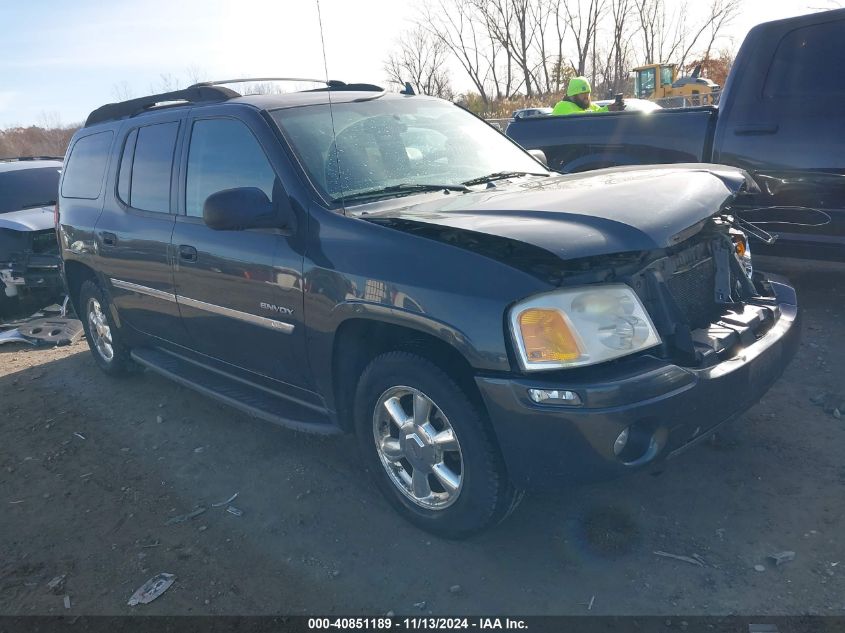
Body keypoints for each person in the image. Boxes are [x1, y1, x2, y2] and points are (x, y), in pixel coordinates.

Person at [552, 77, 625, 115]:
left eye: (588, 93)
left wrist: (610, 108)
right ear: (572, 95)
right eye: (582, 93)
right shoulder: (562, 106)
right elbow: (580, 117)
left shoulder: (589, 106)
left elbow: (599, 111)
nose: (586, 96)